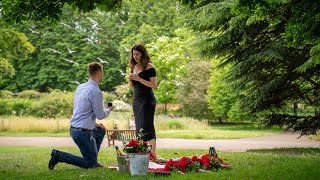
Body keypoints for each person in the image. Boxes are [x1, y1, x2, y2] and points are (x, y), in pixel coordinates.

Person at [48, 62, 115, 170]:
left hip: (75, 129)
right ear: (99, 73)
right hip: (82, 133)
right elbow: (100, 115)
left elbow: (82, 111)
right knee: (90, 164)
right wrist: (109, 109)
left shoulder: (81, 87)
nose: (103, 75)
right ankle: (59, 155)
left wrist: (95, 124)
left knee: (101, 130)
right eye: (102, 72)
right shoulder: (96, 91)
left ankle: (93, 159)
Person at [128, 44, 157, 160]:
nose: (135, 56)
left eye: (137, 54)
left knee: (147, 126)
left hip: (147, 100)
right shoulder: (134, 66)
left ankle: (152, 154)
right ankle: (143, 153)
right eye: (133, 54)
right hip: (137, 100)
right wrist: (131, 79)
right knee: (139, 127)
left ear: (143, 54)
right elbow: (133, 86)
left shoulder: (150, 66)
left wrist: (139, 78)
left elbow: (154, 84)